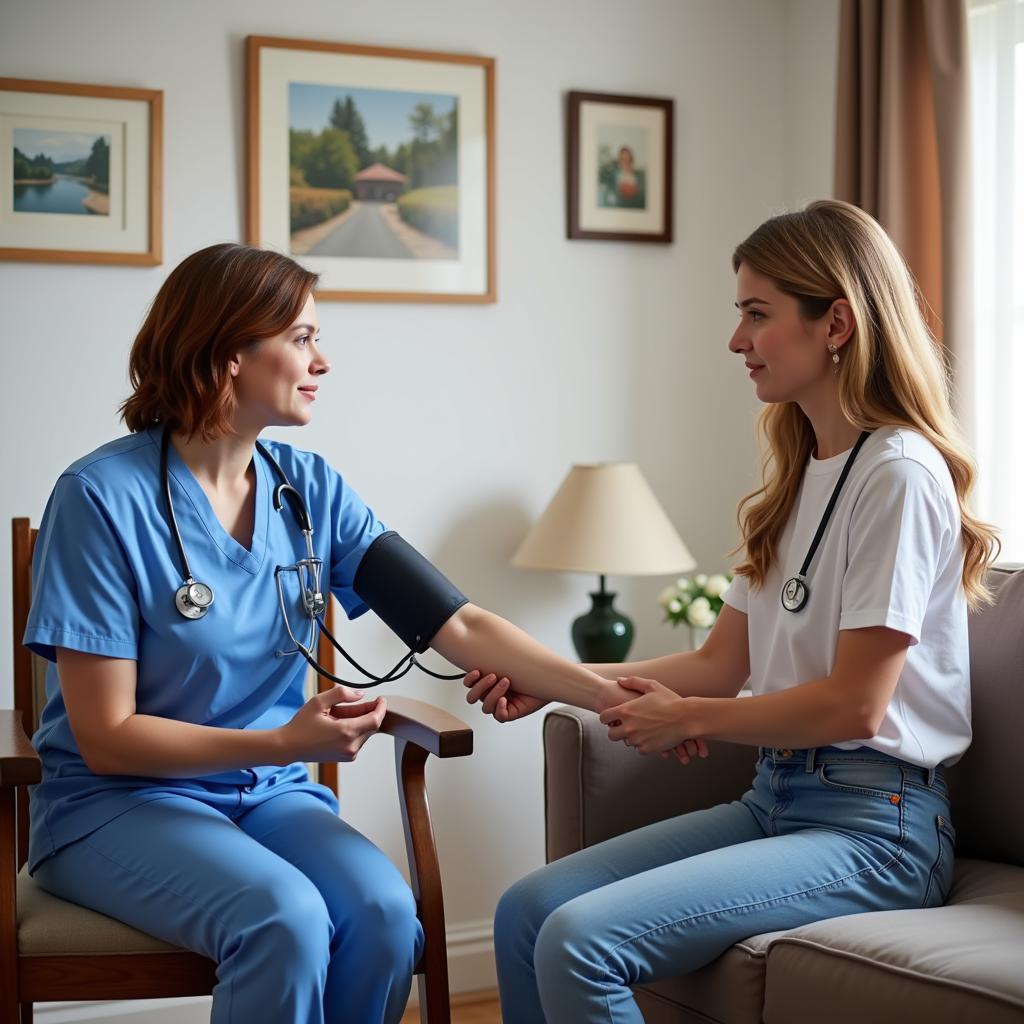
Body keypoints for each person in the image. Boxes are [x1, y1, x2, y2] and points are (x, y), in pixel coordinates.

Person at [23, 243, 639, 1024]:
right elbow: (107, 737)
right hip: (119, 805)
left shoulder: (307, 490)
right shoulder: (99, 500)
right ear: (228, 354)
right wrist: (284, 744)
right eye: (303, 337)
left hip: (268, 796)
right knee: (284, 916)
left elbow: (461, 623)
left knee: (384, 915)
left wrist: (611, 697)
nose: (323, 361)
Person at [464, 199, 1000, 1024]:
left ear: (837, 323)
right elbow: (720, 665)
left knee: (580, 938)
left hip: (878, 826)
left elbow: (856, 703)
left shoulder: (898, 474)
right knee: (526, 910)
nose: (736, 339)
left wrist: (691, 720)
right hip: (775, 799)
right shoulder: (797, 477)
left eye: (758, 313)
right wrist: (558, 680)